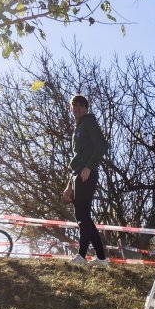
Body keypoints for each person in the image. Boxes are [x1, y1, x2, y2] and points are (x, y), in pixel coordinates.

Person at [62, 95, 110, 265]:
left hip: (87, 174)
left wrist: (89, 167)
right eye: (74, 106)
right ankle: (102, 258)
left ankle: (81, 256)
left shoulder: (89, 123)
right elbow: (77, 158)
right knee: (83, 217)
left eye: (81, 106)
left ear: (86, 108)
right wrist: (69, 186)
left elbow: (102, 145)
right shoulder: (78, 127)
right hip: (77, 175)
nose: (77, 109)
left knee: (83, 216)